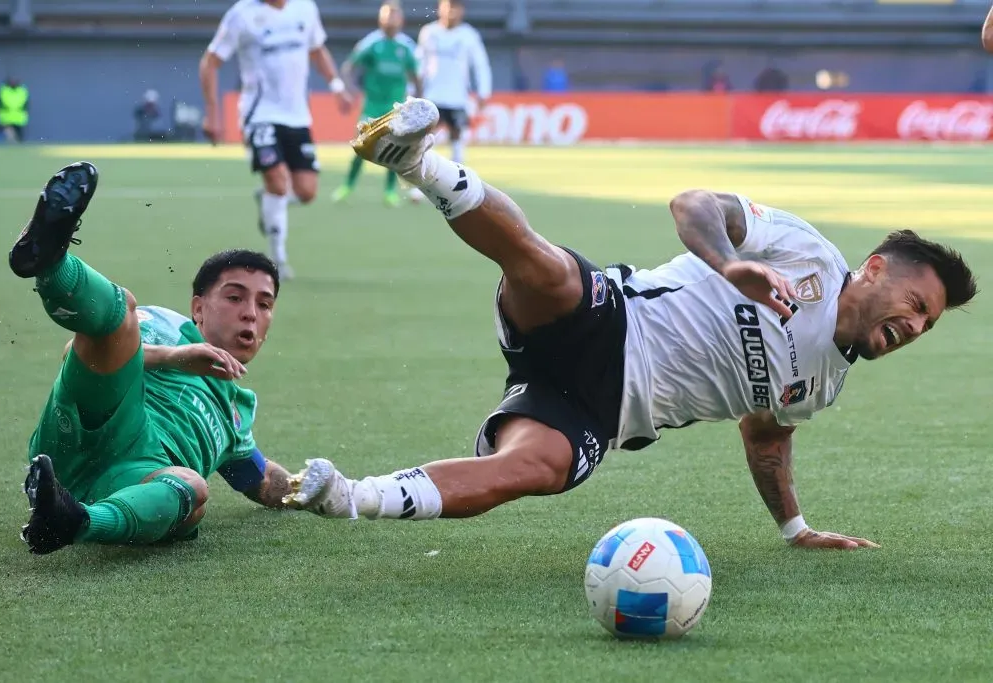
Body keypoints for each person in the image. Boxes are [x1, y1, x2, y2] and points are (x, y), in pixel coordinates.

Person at [283, 98, 978, 552]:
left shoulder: (822, 387)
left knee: (532, 469)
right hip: (608, 322)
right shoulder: (808, 254)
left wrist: (795, 528)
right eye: (918, 305)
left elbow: (766, 440)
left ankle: (347, 495)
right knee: (547, 269)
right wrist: (729, 263)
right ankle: (416, 160)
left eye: (927, 326)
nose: (916, 327)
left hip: (597, 410)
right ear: (877, 269)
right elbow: (691, 202)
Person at [12, 162, 318, 555]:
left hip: (134, 477)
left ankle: (71, 520)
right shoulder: (164, 325)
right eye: (235, 296)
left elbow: (263, 482)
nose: (250, 313)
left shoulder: (236, 415)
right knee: (122, 313)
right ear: (198, 308)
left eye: (264, 303)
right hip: (90, 427)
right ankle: (51, 262)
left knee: (192, 487)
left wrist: (316, 489)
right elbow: (78, 352)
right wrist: (175, 357)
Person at [199, 0, 354, 280]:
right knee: (278, 180)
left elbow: (317, 49)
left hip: (297, 116)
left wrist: (336, 86)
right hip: (259, 114)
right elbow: (210, 62)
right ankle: (278, 260)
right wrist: (212, 113)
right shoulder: (241, 15)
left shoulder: (305, 8)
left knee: (306, 191)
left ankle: (270, 200)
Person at [332, 1, 421, 207]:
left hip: (395, 107)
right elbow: (348, 67)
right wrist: (351, 89)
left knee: (395, 149)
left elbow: (416, 77)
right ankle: (347, 186)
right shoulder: (370, 43)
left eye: (394, 15)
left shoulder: (406, 47)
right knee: (361, 146)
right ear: (380, 18)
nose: (390, 19)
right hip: (372, 106)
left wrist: (418, 102)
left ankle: (390, 191)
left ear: (401, 19)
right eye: (387, 15)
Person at [415, 0, 491, 166]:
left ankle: (458, 183)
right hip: (432, 95)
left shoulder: (469, 35)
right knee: (426, 139)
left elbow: (480, 65)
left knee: (457, 138)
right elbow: (419, 63)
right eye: (447, 6)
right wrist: (414, 89)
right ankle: (420, 182)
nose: (451, 11)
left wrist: (484, 92)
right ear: (439, 8)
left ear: (462, 10)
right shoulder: (429, 32)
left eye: (455, 7)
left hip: (457, 96)